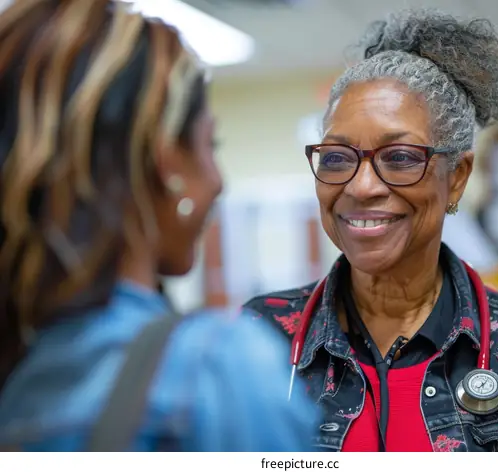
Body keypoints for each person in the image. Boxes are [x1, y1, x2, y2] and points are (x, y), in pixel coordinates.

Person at [244, 9, 498, 452]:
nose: (361, 186)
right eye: (336, 157)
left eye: (399, 157)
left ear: (457, 177)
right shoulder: (257, 338)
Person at [0, 0, 317, 451]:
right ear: (168, 161)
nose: (218, 179)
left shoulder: (22, 374)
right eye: (211, 144)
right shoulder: (215, 372)